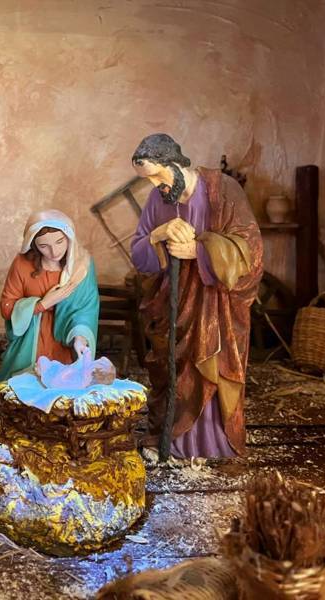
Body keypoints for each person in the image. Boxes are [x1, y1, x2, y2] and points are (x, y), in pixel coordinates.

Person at [129, 133, 263, 459]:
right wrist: (158, 235)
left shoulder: (223, 189)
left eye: (158, 177)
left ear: (174, 163)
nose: (156, 187)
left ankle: (213, 444)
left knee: (212, 369)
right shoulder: (157, 199)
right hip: (174, 302)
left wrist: (199, 251)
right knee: (172, 370)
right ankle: (172, 441)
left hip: (217, 306)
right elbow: (139, 255)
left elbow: (251, 250)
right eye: (149, 181)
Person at [0, 209, 99, 413]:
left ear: (70, 237)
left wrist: (80, 337)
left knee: (63, 394)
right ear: (33, 244)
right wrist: (42, 304)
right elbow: (7, 306)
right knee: (25, 393)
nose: (54, 251)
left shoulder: (81, 266)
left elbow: (86, 309)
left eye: (60, 242)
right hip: (31, 341)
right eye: (44, 246)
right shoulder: (22, 264)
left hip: (63, 342)